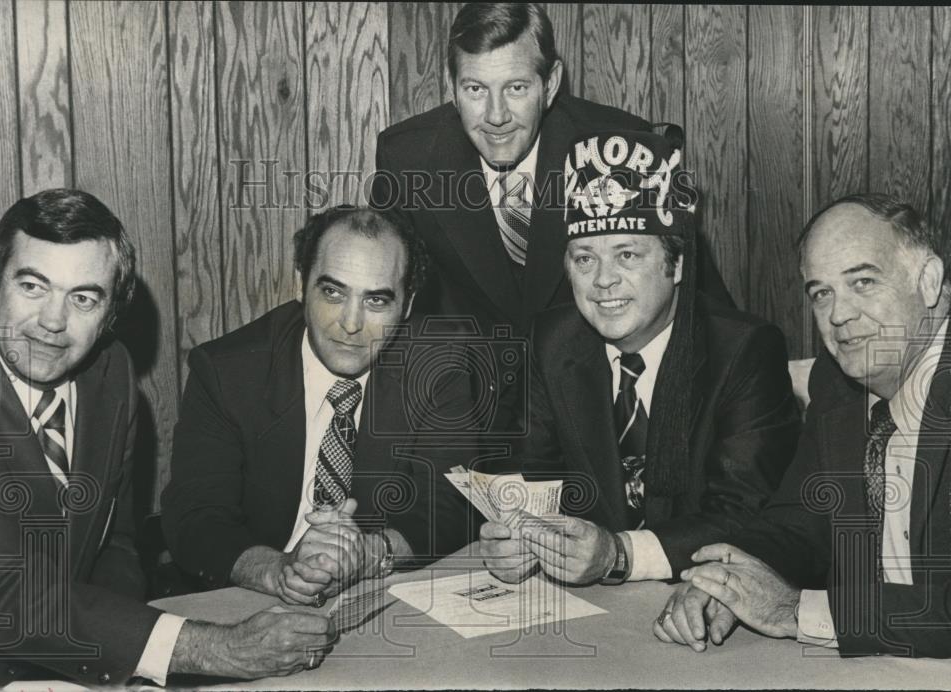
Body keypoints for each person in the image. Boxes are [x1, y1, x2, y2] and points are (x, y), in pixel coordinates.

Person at [0, 190, 333, 687]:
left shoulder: (108, 372)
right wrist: (209, 649)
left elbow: (118, 547)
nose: (52, 321)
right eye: (32, 286)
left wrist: (117, 667)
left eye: (83, 298)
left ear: (110, 316)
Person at [478, 130, 800, 587]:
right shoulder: (553, 341)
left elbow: (748, 515)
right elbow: (532, 477)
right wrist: (515, 539)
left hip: (701, 602)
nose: (603, 281)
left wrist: (620, 553)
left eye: (627, 254)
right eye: (584, 258)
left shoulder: (745, 351)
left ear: (679, 264)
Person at [655, 193, 951, 659]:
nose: (839, 315)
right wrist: (729, 579)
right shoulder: (839, 381)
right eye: (822, 292)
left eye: (864, 282)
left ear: (929, 280)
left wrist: (796, 611)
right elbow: (797, 524)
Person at [161, 206, 474, 606]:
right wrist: (278, 570)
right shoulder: (227, 371)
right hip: (251, 592)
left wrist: (368, 554)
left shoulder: (437, 368)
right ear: (300, 286)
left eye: (376, 300)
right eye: (333, 292)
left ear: (407, 306)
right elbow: (196, 515)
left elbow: (448, 505)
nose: (350, 323)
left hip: (376, 591)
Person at [371, 2, 733, 343]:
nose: (496, 116)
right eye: (476, 89)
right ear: (452, 87)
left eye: (516, 88)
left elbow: (701, 302)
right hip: (462, 390)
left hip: (588, 390)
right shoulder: (407, 159)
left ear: (551, 83)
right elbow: (378, 295)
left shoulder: (617, 144)